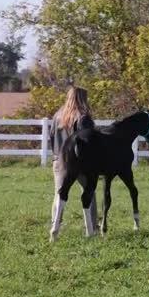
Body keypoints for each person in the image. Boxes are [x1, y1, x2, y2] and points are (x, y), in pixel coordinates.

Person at [51, 86, 96, 224]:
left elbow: (52, 137)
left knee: (59, 194)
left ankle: (55, 224)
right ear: (82, 98)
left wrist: (57, 156)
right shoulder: (83, 117)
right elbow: (89, 140)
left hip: (60, 160)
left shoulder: (57, 115)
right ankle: (92, 225)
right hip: (81, 162)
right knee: (89, 193)